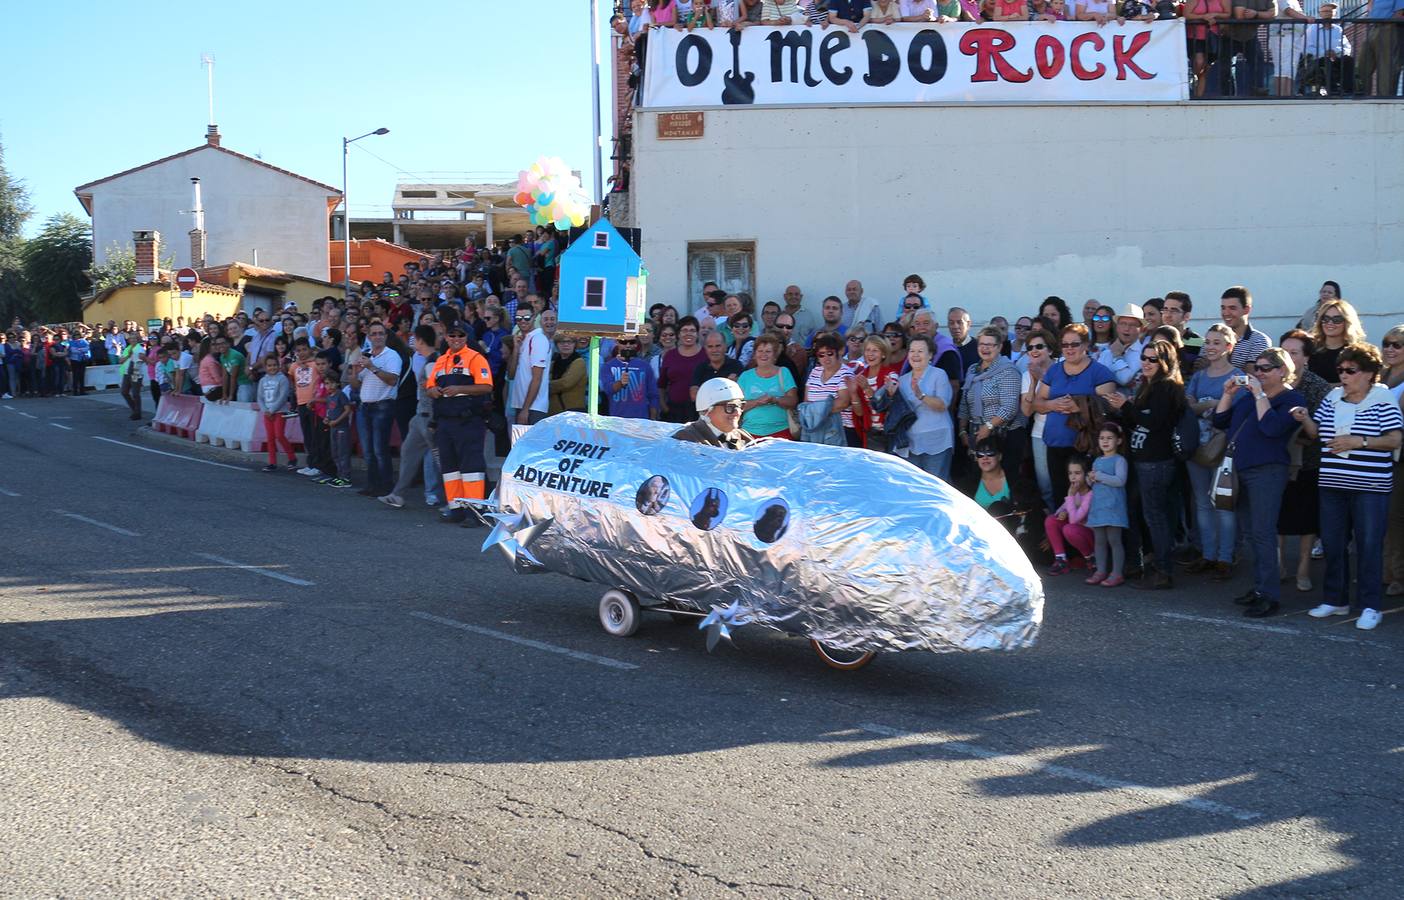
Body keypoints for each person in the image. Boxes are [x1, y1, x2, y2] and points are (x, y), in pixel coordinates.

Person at [1294, 343, 1404, 631]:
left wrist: (1360, 442)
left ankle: (1371, 606)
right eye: (1340, 370)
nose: (1343, 375)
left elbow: (1394, 439)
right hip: (1332, 484)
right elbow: (1317, 433)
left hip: (1370, 486)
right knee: (1333, 544)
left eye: (1350, 370)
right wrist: (1304, 418)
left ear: (1368, 373)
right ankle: (1335, 600)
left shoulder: (1382, 399)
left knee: (1369, 546)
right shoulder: (1332, 397)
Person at [1212, 347, 1307, 618]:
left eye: (1266, 368)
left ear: (1282, 370)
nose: (1259, 373)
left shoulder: (1292, 399)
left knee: (1264, 533)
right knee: (1251, 532)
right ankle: (1259, 588)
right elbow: (1220, 420)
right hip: (1240, 470)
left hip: (1267, 471)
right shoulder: (1248, 397)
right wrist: (1228, 394)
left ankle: (1269, 595)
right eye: (1257, 368)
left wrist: (1259, 395)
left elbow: (1271, 428)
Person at [1107, 339, 1184, 589]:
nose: (1147, 363)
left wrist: (1126, 405)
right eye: (1144, 357)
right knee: (1140, 513)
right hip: (1142, 459)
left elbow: (1155, 423)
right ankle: (1143, 563)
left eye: (1153, 359)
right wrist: (1122, 409)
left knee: (1155, 517)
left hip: (1156, 461)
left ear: (1165, 363)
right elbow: (1137, 421)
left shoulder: (1166, 387)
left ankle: (1163, 571)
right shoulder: (1148, 385)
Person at [1183, 324, 1243, 580]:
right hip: (1197, 446)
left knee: (1223, 503)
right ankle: (1208, 554)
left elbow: (1233, 413)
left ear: (1229, 346)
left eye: (1216, 342)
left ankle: (1225, 558)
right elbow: (1188, 406)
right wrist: (1212, 404)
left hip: (1223, 448)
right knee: (1202, 502)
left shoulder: (1238, 376)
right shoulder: (1198, 376)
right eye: (1208, 342)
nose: (1210, 347)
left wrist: (1207, 405)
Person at [1034, 324, 1117, 506]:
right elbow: (1037, 403)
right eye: (1065, 345)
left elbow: (1108, 406)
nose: (1069, 349)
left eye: (1074, 344)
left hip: (1085, 446)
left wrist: (1080, 405)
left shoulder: (1099, 372)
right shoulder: (1054, 370)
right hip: (1055, 444)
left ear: (1086, 344)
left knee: (1086, 499)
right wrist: (1052, 404)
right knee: (1060, 497)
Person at [1278, 329, 1332, 592]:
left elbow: (1324, 429)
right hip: (1277, 460)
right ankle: (1278, 564)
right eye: (1284, 352)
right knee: (1277, 516)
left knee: (1308, 519)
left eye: (1294, 353)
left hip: (1309, 461)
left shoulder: (1318, 386)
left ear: (1306, 357)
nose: (1288, 357)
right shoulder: (1272, 379)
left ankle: (1303, 568)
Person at [426, 323, 495, 525]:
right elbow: (429, 386)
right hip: (445, 421)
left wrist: (459, 389)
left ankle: (474, 512)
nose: (456, 339)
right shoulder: (441, 360)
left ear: (466, 338)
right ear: (446, 337)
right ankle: (456, 509)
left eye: (460, 335)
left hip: (468, 421)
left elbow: (486, 386)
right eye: (452, 335)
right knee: (450, 469)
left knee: (471, 468)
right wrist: (433, 391)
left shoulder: (475, 358)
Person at [379, 325, 447, 511]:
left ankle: (454, 501)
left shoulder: (432, 362)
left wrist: (433, 420)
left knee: (442, 461)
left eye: (414, 339)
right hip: (420, 418)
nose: (412, 342)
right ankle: (397, 495)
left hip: (429, 418)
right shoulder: (429, 360)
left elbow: (436, 393)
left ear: (420, 340)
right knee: (408, 452)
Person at [878, 335, 954, 480]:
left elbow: (943, 405)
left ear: (930, 354)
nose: (915, 355)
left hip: (936, 440)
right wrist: (891, 395)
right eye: (912, 351)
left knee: (935, 485)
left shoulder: (939, 374)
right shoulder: (902, 379)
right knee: (914, 485)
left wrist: (921, 396)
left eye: (920, 351)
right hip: (910, 442)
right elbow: (897, 412)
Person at [959, 327, 1025, 482]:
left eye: (990, 345)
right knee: (978, 482)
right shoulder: (972, 370)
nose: (985, 348)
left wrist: (987, 427)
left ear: (999, 347)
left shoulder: (1008, 371)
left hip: (1004, 437)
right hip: (977, 435)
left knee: (1005, 483)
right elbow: (964, 403)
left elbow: (1009, 407)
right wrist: (962, 431)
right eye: (981, 344)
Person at [351, 322, 403, 497]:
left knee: (380, 449)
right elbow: (356, 385)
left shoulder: (392, 355)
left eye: (381, 333)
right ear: (369, 337)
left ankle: (386, 486)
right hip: (365, 406)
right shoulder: (366, 356)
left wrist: (371, 367)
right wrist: (354, 370)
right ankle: (372, 485)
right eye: (374, 334)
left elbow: (392, 380)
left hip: (383, 405)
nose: (377, 337)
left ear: (386, 336)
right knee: (368, 450)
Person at [1087, 423, 1130, 588]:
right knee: (1099, 540)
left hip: (1114, 507)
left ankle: (1117, 573)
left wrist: (1099, 476)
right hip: (1099, 507)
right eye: (1102, 438)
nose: (1105, 441)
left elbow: (1120, 480)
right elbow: (1094, 484)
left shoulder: (1120, 460)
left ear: (1118, 441)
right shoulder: (1097, 460)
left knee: (1114, 540)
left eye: (1109, 438)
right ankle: (1101, 570)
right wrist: (1090, 479)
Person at [1020, 328, 1057, 511]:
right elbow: (1027, 411)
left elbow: (1062, 397)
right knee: (1045, 485)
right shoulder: (1026, 375)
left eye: (1039, 346)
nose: (1034, 350)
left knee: (1065, 480)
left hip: (1064, 431)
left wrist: (1042, 377)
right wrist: (1034, 382)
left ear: (1050, 349)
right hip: (1039, 434)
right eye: (1030, 347)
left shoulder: (1062, 367)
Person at [737, 334, 798, 439]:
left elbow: (793, 401)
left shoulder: (784, 372)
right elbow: (737, 406)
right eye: (760, 351)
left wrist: (775, 400)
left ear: (775, 355)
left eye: (768, 351)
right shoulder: (745, 376)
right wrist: (757, 401)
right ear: (754, 354)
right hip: (749, 433)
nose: (763, 354)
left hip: (781, 431)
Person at [845, 335, 899, 451]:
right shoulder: (861, 376)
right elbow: (859, 413)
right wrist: (853, 393)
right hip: (869, 434)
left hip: (888, 433)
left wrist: (867, 388)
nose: (870, 354)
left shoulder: (891, 375)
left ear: (883, 354)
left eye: (875, 350)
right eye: (868, 350)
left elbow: (885, 407)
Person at [673, 377, 757, 448]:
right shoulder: (686, 439)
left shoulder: (743, 436)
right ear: (708, 410)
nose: (737, 412)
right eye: (730, 407)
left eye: (740, 405)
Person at [800, 332, 852, 446]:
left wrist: (815, 410)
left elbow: (843, 402)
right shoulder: (815, 371)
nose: (826, 358)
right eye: (821, 355)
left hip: (840, 429)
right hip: (815, 427)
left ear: (838, 353)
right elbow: (806, 401)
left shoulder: (846, 373)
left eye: (830, 353)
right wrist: (821, 409)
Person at [1046, 456, 1095, 575]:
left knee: (1069, 528)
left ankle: (1091, 558)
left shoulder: (1091, 494)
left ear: (1086, 475)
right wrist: (1064, 512)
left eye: (1077, 473)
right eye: (1070, 473)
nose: (1073, 477)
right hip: (1078, 533)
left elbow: (1073, 521)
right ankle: (1061, 560)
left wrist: (1070, 496)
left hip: (1093, 537)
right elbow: (1060, 510)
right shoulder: (1075, 492)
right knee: (1051, 520)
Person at [508, 309, 553, 426]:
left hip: (533, 408)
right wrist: (516, 349)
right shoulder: (523, 339)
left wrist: (525, 409)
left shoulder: (538, 339)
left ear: (534, 317)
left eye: (526, 318)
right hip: (521, 405)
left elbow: (537, 378)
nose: (523, 321)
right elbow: (511, 375)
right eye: (518, 318)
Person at [1307, 298, 1366, 385]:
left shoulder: (1357, 353)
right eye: (1326, 318)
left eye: (1337, 319)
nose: (1330, 323)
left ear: (1347, 322)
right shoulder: (1310, 348)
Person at [602, 334, 660, 419]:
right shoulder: (608, 366)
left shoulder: (645, 366)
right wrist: (620, 383)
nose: (628, 345)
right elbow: (607, 389)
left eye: (632, 342)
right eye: (623, 342)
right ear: (617, 342)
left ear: (636, 344)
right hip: (617, 418)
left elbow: (653, 395)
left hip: (641, 419)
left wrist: (653, 418)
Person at [659, 316, 704, 423]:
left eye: (692, 330)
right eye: (684, 330)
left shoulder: (706, 354)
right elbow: (662, 384)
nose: (688, 334)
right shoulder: (670, 355)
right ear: (678, 334)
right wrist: (664, 407)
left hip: (699, 410)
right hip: (673, 411)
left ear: (697, 334)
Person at [1221, 286, 1270, 369]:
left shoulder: (1259, 340)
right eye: (1223, 308)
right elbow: (1202, 368)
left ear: (1247, 310)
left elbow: (1251, 373)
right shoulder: (1213, 337)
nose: (1226, 313)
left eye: (1232, 308)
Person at [691, 331, 744, 403]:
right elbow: (694, 395)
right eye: (710, 346)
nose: (714, 350)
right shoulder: (700, 368)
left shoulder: (736, 366)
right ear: (705, 349)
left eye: (718, 346)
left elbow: (742, 392)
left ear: (725, 347)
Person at [322, 372, 354, 489]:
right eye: (327, 383)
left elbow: (347, 410)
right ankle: (340, 475)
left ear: (337, 384)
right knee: (335, 452)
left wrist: (337, 421)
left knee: (343, 453)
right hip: (333, 428)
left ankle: (346, 478)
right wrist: (327, 418)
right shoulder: (329, 397)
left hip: (342, 428)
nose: (329, 386)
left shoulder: (341, 395)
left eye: (332, 383)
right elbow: (329, 410)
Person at [548, 333, 588, 414]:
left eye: (570, 342)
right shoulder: (554, 362)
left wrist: (544, 386)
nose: (566, 345)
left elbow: (565, 383)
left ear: (575, 345)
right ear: (557, 345)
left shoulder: (579, 362)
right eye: (561, 342)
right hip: (554, 411)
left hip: (573, 411)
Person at [971, 440, 1011, 510]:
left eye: (990, 453)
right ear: (976, 458)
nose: (985, 458)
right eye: (980, 454)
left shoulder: (1014, 479)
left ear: (1000, 456)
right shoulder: (969, 482)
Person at [117, 329, 144, 419]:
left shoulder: (140, 349)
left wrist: (134, 374)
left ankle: (137, 413)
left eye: (134, 338)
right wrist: (128, 355)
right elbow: (120, 361)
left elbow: (139, 362)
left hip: (135, 372)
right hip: (126, 373)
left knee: (135, 394)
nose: (132, 340)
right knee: (124, 392)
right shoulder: (127, 349)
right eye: (131, 338)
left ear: (137, 340)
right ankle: (135, 409)